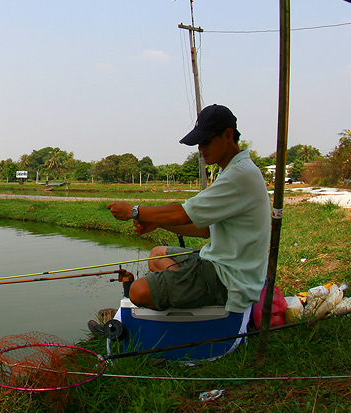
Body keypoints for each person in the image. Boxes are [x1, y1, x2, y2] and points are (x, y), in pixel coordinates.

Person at [107, 104, 270, 314]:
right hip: (218, 262)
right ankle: (184, 287)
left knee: (137, 292)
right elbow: (205, 230)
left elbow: (182, 214)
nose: (201, 149)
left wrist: (133, 211)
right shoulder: (234, 171)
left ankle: (190, 292)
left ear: (228, 135)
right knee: (156, 255)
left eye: (206, 141)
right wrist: (158, 223)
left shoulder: (238, 175)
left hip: (229, 279)